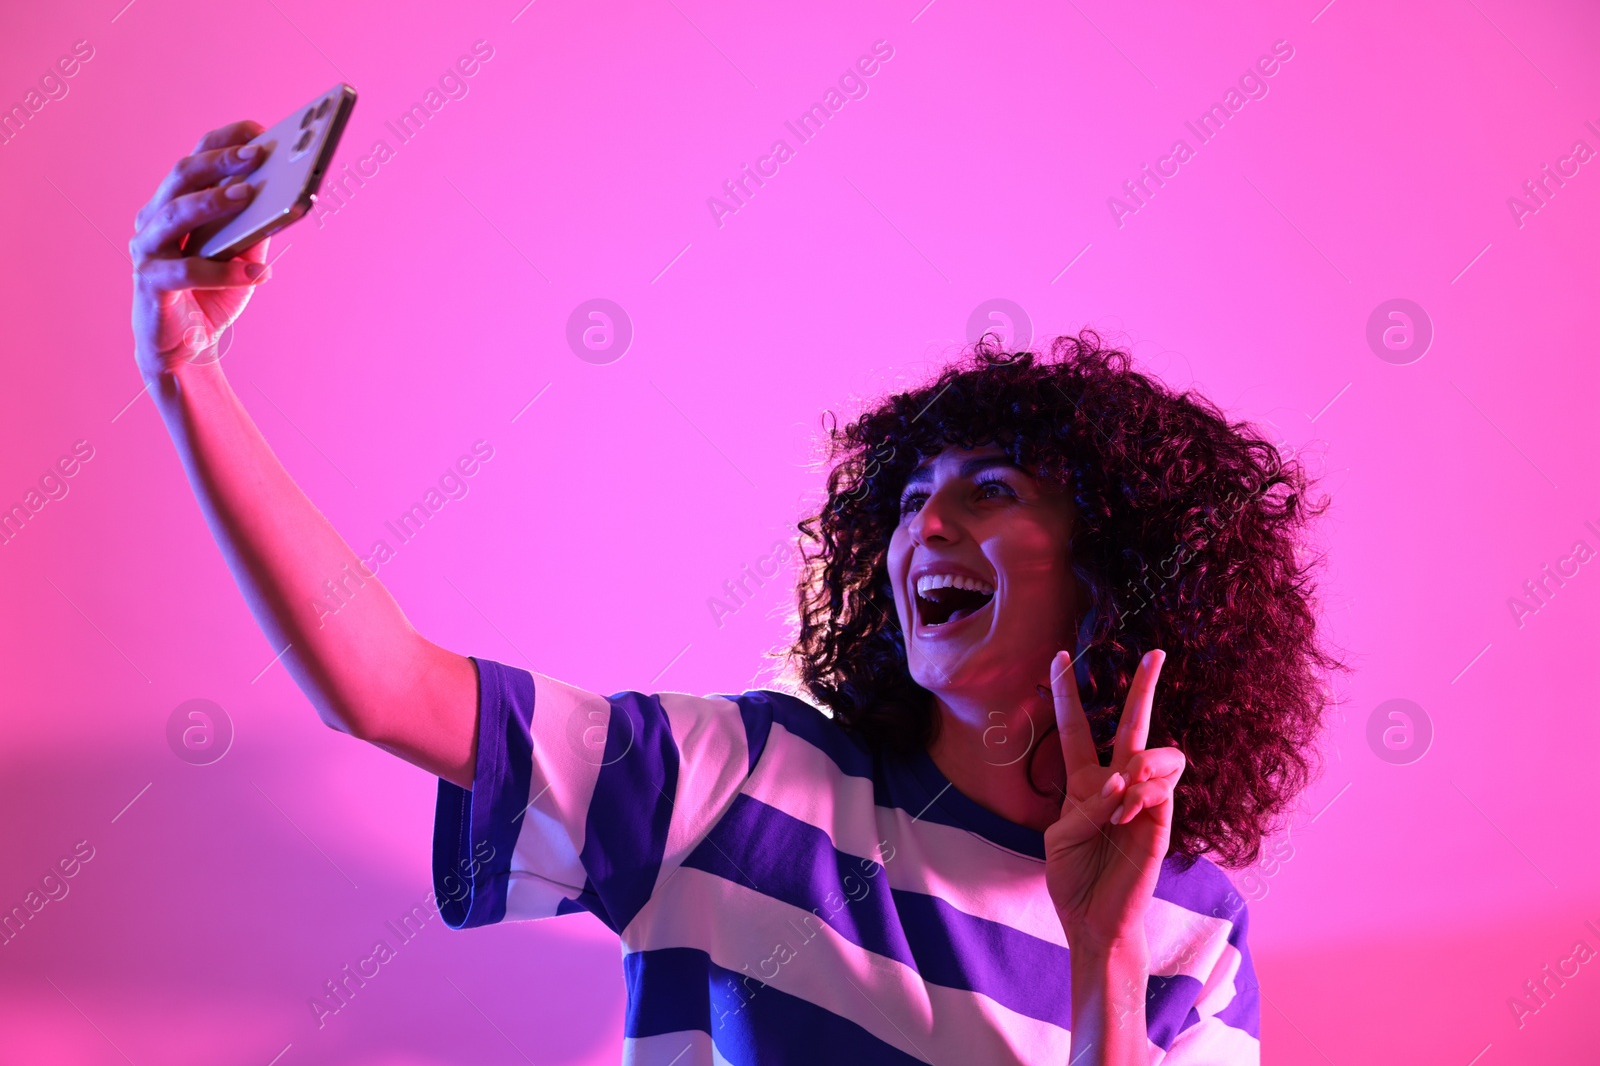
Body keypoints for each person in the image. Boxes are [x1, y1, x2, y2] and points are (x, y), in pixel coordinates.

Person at [130, 121, 1340, 1065]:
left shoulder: (1189, 926)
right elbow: (381, 683)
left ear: (1111, 567)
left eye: (990, 489)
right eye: (914, 494)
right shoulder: (735, 779)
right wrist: (191, 374)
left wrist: (1106, 959)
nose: (928, 519)